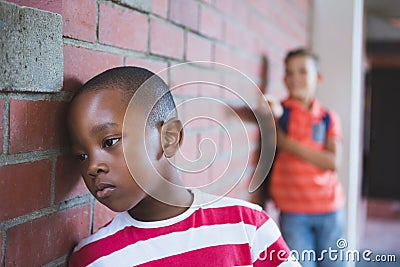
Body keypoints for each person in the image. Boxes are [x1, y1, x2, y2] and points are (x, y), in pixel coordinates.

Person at [67, 66, 300, 267]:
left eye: (110, 142)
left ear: (169, 138)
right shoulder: (94, 258)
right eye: (81, 156)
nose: (93, 166)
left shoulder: (247, 226)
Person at [267, 48, 346, 267]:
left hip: (330, 210)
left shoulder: (328, 117)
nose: (295, 78)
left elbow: (332, 162)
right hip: (293, 213)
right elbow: (272, 111)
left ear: (318, 78)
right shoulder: (282, 112)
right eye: (289, 73)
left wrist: (288, 145)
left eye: (303, 72)